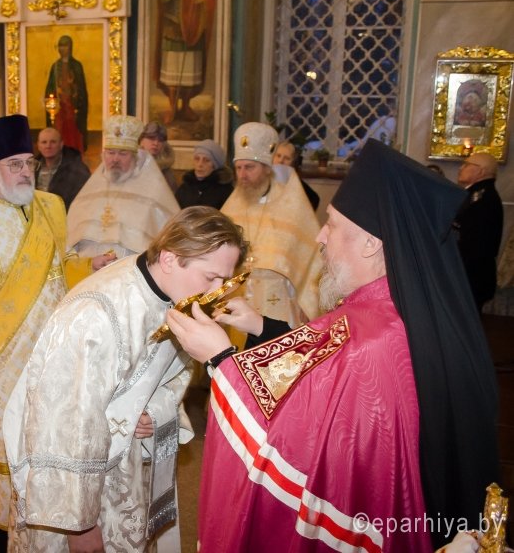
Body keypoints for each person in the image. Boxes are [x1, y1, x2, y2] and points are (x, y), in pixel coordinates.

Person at [168, 139, 499, 551]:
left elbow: (298, 435)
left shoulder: (373, 338)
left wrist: (220, 359)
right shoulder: (393, 305)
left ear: (371, 243)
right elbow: (318, 360)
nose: (320, 237)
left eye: (332, 224)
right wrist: (261, 325)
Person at [4, 206, 247, 552]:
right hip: (72, 487)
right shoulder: (95, 313)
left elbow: (173, 377)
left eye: (225, 279)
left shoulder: (176, 296)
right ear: (169, 258)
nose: (218, 291)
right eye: (211, 277)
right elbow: (64, 422)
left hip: (128, 462)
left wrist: (154, 411)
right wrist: (80, 525)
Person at [0, 115, 106, 551]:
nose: (26, 171)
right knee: (3, 456)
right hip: (0, 363)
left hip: (54, 357)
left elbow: (59, 269)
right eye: (14, 164)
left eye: (29, 162)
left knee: (49, 449)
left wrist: (91, 266)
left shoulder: (51, 206)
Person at [220, 122, 322, 320]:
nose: (242, 175)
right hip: (237, 302)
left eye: (249, 167)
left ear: (267, 168)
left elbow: (312, 260)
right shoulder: (231, 207)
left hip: (278, 303)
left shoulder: (291, 204)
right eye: (238, 168)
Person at [68, 114, 181, 262]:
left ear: (135, 156)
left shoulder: (153, 190)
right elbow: (69, 243)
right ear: (103, 155)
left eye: (123, 153)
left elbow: (170, 239)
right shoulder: (90, 190)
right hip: (90, 270)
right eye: (110, 152)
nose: (115, 159)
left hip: (130, 269)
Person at [154, 0, 216, 123]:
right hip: (173, 27)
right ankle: (173, 107)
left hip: (194, 25)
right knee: (172, 72)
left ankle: (186, 106)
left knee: (190, 70)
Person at [454, 152, 503, 311]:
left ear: (481, 171)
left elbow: (473, 244)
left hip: (470, 276)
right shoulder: (478, 194)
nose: (461, 168)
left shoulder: (482, 199)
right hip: (471, 275)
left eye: (467, 164)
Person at [44, 35, 88, 152]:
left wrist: (78, 104)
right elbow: (50, 87)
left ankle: (74, 152)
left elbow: (81, 88)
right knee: (58, 129)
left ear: (70, 47)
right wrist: (52, 99)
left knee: (72, 129)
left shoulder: (77, 66)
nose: (62, 48)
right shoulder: (55, 66)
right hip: (59, 107)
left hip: (72, 106)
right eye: (60, 46)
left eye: (65, 45)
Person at [34, 126, 90, 210]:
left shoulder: (78, 170)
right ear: (38, 146)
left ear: (61, 144)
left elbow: (84, 202)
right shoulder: (31, 168)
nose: (48, 146)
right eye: (44, 142)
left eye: (53, 142)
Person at [175, 138, 233, 209]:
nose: (200, 164)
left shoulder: (225, 191)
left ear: (215, 166)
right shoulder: (184, 188)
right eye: (197, 159)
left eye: (206, 160)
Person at [273, 140, 319, 210]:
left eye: (287, 158)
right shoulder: (264, 175)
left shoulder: (295, 181)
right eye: (278, 156)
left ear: (292, 162)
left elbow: (315, 199)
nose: (281, 161)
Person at [139, 120, 178, 192]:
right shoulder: (130, 165)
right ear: (141, 141)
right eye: (151, 138)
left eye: (160, 140)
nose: (156, 143)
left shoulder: (167, 172)